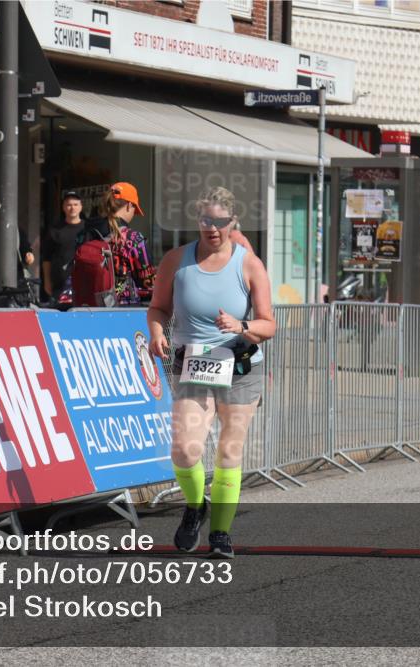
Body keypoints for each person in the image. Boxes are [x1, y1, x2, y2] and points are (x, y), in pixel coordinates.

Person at [147, 186, 276, 558]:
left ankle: (220, 532)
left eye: (220, 221)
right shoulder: (176, 260)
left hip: (239, 366)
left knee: (228, 452)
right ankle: (195, 506)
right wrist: (157, 332)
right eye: (206, 220)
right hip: (192, 363)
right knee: (185, 450)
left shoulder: (249, 264)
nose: (213, 228)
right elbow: (158, 309)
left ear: (233, 222)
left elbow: (269, 325)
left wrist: (241, 325)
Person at [77, 182, 155, 305]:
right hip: (123, 308)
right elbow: (148, 282)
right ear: (129, 205)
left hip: (90, 306)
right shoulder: (133, 238)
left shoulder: (86, 231)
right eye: (134, 209)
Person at [42, 190, 84, 301]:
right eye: (69, 205)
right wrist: (47, 280)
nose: (72, 208)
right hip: (59, 284)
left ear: (81, 207)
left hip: (84, 282)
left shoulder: (87, 229)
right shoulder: (55, 230)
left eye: (75, 204)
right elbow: (46, 258)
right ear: (63, 207)